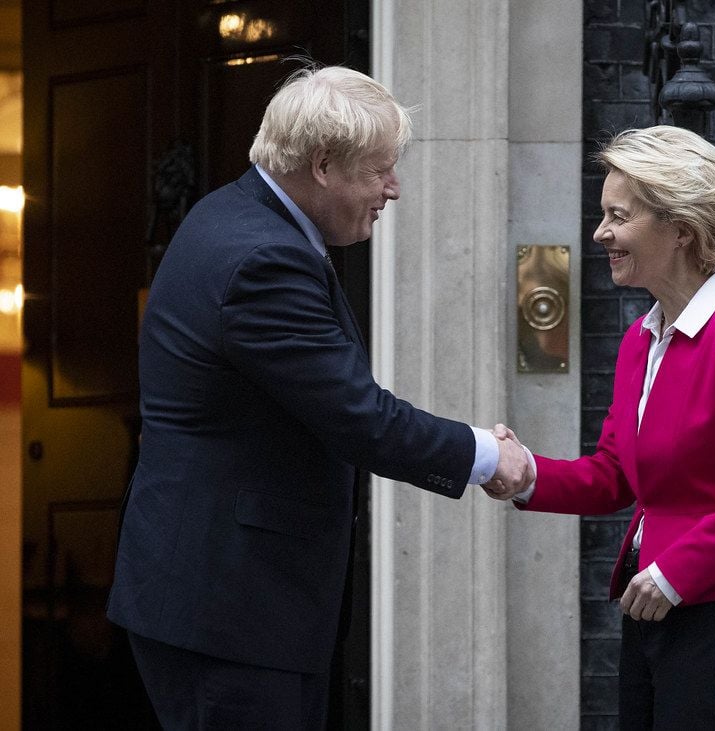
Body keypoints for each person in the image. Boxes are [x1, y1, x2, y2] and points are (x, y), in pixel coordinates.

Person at [106, 64, 531, 729]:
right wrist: (484, 454)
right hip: (229, 611)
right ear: (324, 164)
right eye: (379, 170)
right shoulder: (262, 260)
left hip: (228, 603)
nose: (393, 188)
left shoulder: (233, 215)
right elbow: (357, 417)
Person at [487, 126, 715, 728]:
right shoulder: (642, 340)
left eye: (618, 216)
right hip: (652, 604)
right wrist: (527, 474)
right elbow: (614, 475)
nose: (600, 233)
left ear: (681, 228)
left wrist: (675, 573)